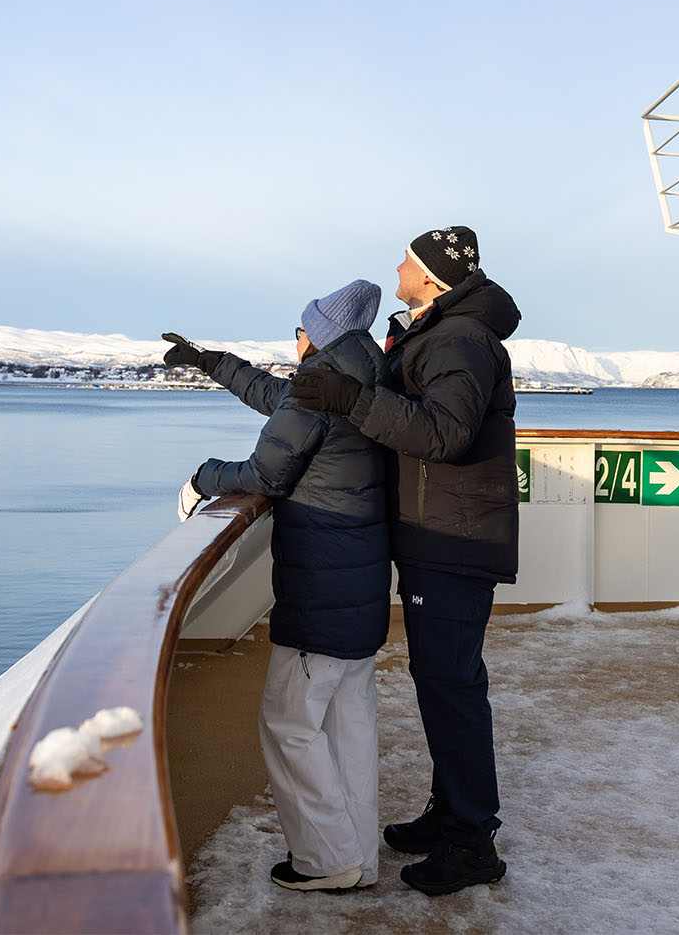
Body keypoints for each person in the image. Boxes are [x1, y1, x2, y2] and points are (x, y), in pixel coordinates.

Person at [289, 226, 519, 896]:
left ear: (433, 276)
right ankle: (451, 812)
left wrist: (351, 399)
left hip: (454, 537)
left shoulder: (461, 339)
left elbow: (443, 434)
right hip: (439, 532)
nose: (398, 265)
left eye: (409, 260)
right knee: (442, 680)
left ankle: (474, 841)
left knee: (451, 685)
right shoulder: (438, 329)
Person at [163, 278, 392, 892]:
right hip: (360, 578)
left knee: (288, 722)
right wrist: (215, 364)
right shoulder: (367, 376)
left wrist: (205, 475)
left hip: (322, 583)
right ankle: (359, 856)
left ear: (315, 335)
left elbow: (267, 470)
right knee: (350, 726)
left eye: (297, 330)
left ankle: (327, 861)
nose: (293, 340)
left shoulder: (322, 383)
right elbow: (279, 398)